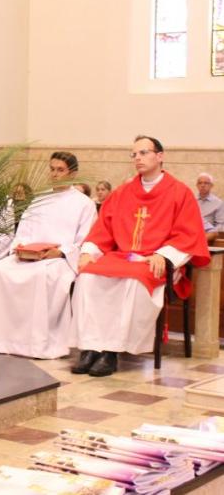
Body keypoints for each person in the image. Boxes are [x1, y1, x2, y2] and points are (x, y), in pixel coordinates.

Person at [70, 136, 209, 376]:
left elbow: (188, 234)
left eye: (144, 153)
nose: (138, 159)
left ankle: (111, 352)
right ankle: (90, 347)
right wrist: (88, 252)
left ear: (160, 156)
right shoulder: (123, 192)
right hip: (124, 257)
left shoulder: (180, 193)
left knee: (133, 281)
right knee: (88, 276)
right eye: (134, 154)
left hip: (152, 261)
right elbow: (103, 229)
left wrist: (164, 256)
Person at [0, 152, 97, 359]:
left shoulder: (83, 204)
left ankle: (36, 343)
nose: (54, 174)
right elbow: (22, 230)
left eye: (60, 170)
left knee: (42, 276)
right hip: (29, 255)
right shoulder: (40, 199)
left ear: (73, 173)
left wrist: (59, 252)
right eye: (52, 169)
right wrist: (20, 247)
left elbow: (85, 240)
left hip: (59, 260)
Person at [196, 173, 224, 242]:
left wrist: (211, 234)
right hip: (192, 232)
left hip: (208, 235)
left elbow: (220, 224)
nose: (202, 185)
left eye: (206, 183)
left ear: (211, 186)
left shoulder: (218, 203)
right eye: (200, 183)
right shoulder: (191, 200)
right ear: (197, 185)